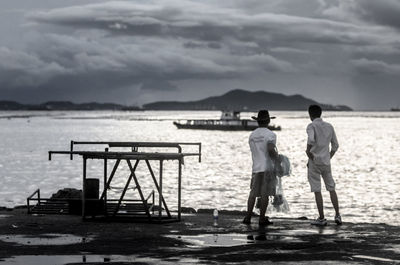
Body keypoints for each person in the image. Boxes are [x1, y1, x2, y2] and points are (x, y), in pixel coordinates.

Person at [306, 105, 342, 226]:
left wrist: (308, 151)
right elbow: (335, 145)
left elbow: (311, 140)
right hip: (326, 162)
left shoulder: (311, 126)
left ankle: (321, 218)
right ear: (320, 114)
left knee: (317, 190)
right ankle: (337, 215)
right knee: (331, 188)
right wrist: (328, 156)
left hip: (314, 161)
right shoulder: (329, 126)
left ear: (310, 114)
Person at [243, 110, 278, 226]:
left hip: (256, 167)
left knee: (253, 193)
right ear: (268, 121)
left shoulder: (252, 135)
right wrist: (278, 159)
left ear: (257, 121)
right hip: (267, 168)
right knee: (265, 194)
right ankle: (262, 219)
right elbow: (270, 149)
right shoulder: (271, 135)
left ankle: (247, 217)